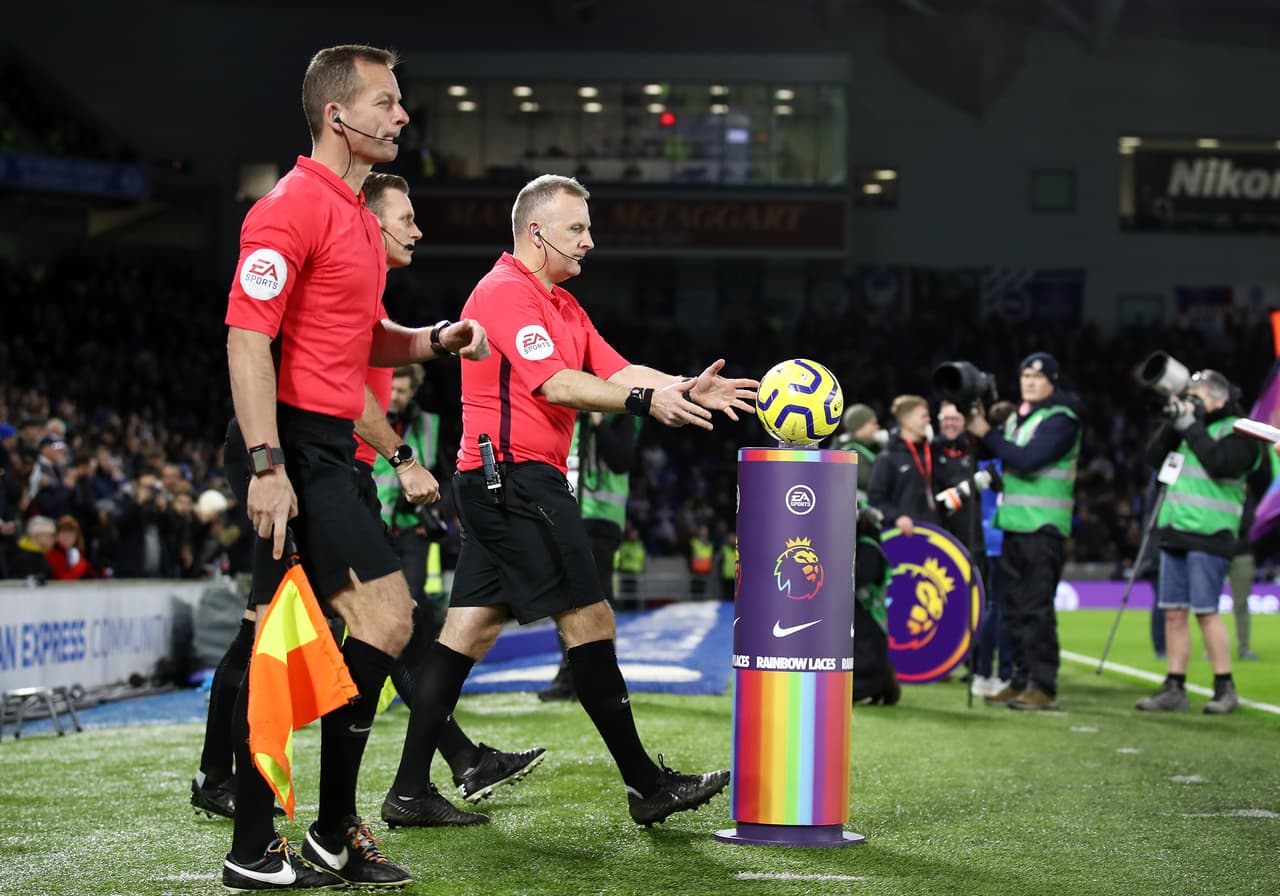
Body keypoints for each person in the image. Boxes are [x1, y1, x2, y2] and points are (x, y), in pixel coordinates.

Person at [384, 174, 756, 830]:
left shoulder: (559, 303)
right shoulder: (505, 291)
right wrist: (647, 402)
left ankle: (409, 793)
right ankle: (646, 786)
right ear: (536, 233)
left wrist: (684, 387)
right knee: (590, 620)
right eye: (577, 229)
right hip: (517, 484)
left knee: (466, 632)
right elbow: (557, 385)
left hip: (502, 483)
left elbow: (614, 369)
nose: (590, 240)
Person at [220, 45, 488, 891]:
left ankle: (295, 839)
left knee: (304, 633)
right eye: (387, 101)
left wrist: (431, 339)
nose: (401, 115)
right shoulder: (288, 207)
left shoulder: (352, 214)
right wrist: (267, 462)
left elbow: (361, 338)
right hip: (292, 444)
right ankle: (312, 834)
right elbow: (247, 337)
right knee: (379, 615)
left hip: (328, 443)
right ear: (339, 115)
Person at [194, 171, 533, 836]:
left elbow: (364, 355)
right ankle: (280, 816)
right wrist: (399, 459)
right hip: (303, 459)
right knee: (283, 634)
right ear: (368, 223)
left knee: (342, 625)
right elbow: (333, 382)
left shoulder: (362, 287)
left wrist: (436, 338)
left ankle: (335, 811)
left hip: (329, 467)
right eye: (405, 217)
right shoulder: (314, 228)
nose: (417, 229)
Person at [1136, 370, 1259, 715]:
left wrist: (1191, 424)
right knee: (1173, 613)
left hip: (1211, 533)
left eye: (1198, 395)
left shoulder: (1240, 429)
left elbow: (1220, 464)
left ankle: (1225, 687)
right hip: (1174, 529)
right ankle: (1174, 686)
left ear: (1219, 399)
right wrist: (1173, 423)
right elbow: (1153, 459)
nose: (1192, 401)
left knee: (1206, 611)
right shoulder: (1187, 429)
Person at [966, 353, 1079, 711]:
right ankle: (1019, 679)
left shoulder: (1062, 419)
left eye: (1036, 376)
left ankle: (1043, 685)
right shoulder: (1020, 416)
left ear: (1052, 381)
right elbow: (1000, 455)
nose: (1028, 381)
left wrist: (989, 433)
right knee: (1014, 610)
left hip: (1042, 528)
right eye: (1024, 375)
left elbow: (1028, 461)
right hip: (1015, 524)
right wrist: (981, 428)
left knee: (1036, 610)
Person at [539, 410, 641, 701]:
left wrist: (597, 418)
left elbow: (621, 460)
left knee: (595, 602)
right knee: (563, 601)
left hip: (601, 522)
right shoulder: (567, 416)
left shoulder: (622, 417)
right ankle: (570, 675)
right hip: (564, 518)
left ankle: (602, 679)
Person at [868, 394, 940, 537]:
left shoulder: (931, 451)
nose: (928, 420)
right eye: (923, 416)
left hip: (935, 533)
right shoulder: (888, 457)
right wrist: (897, 516)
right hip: (904, 536)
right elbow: (876, 498)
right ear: (907, 422)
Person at [832, 403, 884, 505]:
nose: (877, 427)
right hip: (859, 514)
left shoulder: (867, 447)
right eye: (873, 423)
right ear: (860, 426)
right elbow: (870, 482)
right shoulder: (848, 451)